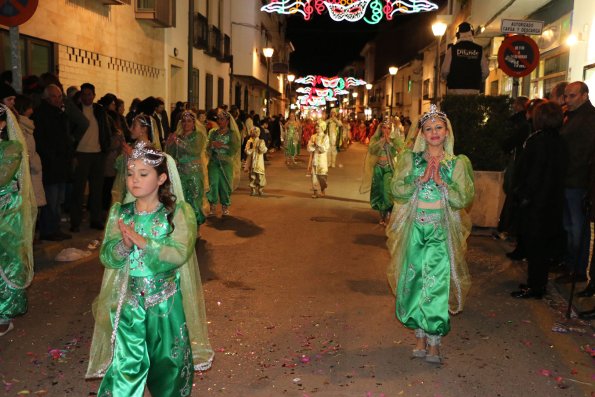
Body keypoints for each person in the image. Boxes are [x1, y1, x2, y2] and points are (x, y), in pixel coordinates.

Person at [86, 141, 214, 394]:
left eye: (143, 174)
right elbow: (108, 257)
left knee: (168, 364)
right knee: (126, 365)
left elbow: (179, 253)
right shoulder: (120, 213)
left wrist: (144, 243)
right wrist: (122, 247)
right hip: (129, 303)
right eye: (130, 173)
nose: (134, 180)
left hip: (165, 302)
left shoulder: (177, 213)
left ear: (161, 178)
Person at [386, 105, 474, 364]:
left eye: (438, 127)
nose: (434, 132)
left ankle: (434, 340)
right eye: (428, 129)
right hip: (415, 229)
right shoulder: (410, 160)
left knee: (435, 284)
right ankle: (419, 337)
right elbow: (397, 189)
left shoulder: (457, 163)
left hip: (439, 231)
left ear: (447, 132)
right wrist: (419, 180)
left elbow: (464, 198)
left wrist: (442, 184)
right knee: (414, 281)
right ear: (421, 134)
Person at [509, 102, 567, 299]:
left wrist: (523, 195)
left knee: (536, 248)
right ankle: (536, 284)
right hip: (551, 201)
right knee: (540, 247)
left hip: (536, 203)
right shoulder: (559, 140)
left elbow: (533, 173)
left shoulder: (538, 141)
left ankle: (536, 287)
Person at [0, 104, 37, 336]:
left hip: (6, 214)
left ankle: (4, 313)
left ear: (2, 125)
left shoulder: (11, 148)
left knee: (6, 261)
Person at [558, 82, 595, 283]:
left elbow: (584, 153)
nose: (567, 100)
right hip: (568, 179)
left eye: (572, 96)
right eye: (566, 96)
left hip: (578, 181)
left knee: (577, 228)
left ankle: (578, 270)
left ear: (584, 95)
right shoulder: (572, 115)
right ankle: (571, 264)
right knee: (569, 225)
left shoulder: (589, 118)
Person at [32, 84, 74, 241]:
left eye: (59, 96)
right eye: (54, 97)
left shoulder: (60, 114)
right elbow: (42, 142)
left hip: (61, 163)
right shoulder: (42, 115)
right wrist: (52, 157)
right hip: (51, 164)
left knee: (58, 199)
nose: (57, 100)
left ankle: (54, 227)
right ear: (46, 98)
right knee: (51, 199)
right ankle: (49, 230)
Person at [71, 82, 111, 232]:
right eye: (84, 94)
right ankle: (75, 221)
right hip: (81, 154)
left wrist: (105, 149)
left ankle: (96, 219)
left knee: (97, 190)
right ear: (81, 96)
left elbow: (106, 130)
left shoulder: (100, 111)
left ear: (94, 95)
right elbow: (70, 131)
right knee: (78, 190)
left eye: (89, 94)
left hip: (98, 154)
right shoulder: (76, 110)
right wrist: (73, 153)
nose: (87, 97)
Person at [165, 110, 210, 226]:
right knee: (181, 199)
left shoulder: (198, 136)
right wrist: (169, 143)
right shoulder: (177, 136)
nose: (186, 124)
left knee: (195, 199)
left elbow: (195, 150)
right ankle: (185, 226)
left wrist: (179, 142)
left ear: (194, 123)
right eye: (184, 121)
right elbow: (171, 154)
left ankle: (196, 226)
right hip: (180, 172)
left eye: (189, 121)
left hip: (194, 172)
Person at [498, 96, 530, 249]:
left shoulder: (521, 124)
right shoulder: (524, 124)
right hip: (519, 164)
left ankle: (509, 228)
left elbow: (510, 141)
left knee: (513, 193)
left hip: (519, 165)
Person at [360, 119, 403, 225]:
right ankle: (382, 216)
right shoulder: (376, 139)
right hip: (378, 168)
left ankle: (388, 212)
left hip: (389, 168)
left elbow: (401, 151)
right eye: (384, 128)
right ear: (380, 129)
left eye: (389, 128)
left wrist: (390, 143)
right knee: (379, 191)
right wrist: (381, 142)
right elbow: (372, 150)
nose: (386, 130)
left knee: (386, 191)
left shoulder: (394, 140)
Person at [206, 110, 241, 216]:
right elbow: (207, 147)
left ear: (227, 121)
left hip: (226, 163)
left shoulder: (232, 134)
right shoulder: (213, 132)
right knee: (213, 183)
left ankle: (225, 206)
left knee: (225, 184)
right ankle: (212, 206)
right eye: (219, 119)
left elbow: (234, 148)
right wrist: (212, 145)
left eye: (222, 119)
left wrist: (222, 145)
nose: (220, 121)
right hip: (214, 162)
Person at [441, 22, 489, 95]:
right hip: (473, 90)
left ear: (458, 35)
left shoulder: (452, 49)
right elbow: (485, 71)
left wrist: (448, 80)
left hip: (454, 90)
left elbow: (444, 71)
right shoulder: (479, 49)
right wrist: (477, 80)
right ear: (472, 34)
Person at [307, 119, 330, 198]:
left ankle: (323, 189)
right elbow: (309, 147)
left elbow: (325, 148)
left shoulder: (325, 137)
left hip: (322, 160)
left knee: (322, 177)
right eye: (316, 126)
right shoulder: (313, 136)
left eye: (318, 126)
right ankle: (315, 191)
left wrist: (317, 146)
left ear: (322, 127)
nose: (316, 127)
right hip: (315, 159)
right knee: (314, 176)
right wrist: (313, 146)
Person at [244, 126, 268, 196]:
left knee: (259, 176)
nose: (255, 133)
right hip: (253, 162)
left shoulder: (261, 141)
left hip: (258, 162)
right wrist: (251, 150)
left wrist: (260, 147)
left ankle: (259, 190)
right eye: (253, 132)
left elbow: (263, 150)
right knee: (253, 176)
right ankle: (254, 190)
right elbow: (246, 150)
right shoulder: (250, 141)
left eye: (256, 132)